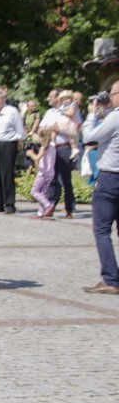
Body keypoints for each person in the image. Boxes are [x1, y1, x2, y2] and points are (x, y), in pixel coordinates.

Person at [81, 82, 119, 294]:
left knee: (102, 230)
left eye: (112, 94)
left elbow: (90, 137)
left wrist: (91, 115)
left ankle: (111, 279)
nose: (109, 97)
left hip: (111, 177)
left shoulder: (115, 117)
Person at [38, 89, 80, 218]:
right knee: (51, 178)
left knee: (65, 179)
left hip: (64, 147)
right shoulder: (51, 113)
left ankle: (69, 209)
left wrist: (64, 128)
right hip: (51, 147)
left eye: (51, 96)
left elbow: (77, 127)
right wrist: (51, 128)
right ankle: (50, 206)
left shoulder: (72, 109)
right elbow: (40, 129)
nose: (48, 98)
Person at [0, 90, 25, 214]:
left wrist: (18, 143)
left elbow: (20, 129)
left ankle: (9, 203)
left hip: (8, 143)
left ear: (3, 100)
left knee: (7, 173)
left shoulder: (12, 111)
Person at [27, 127, 58, 219]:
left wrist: (30, 153)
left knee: (34, 191)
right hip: (50, 173)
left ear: (42, 138)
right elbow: (54, 136)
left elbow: (37, 158)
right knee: (43, 192)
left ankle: (47, 205)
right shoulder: (53, 146)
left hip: (43, 173)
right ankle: (40, 213)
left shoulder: (44, 148)